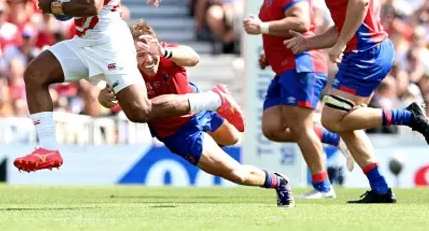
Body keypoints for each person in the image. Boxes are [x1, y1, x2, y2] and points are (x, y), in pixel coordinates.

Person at [13, 0, 244, 172]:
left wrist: (54, 8)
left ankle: (213, 99)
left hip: (110, 43)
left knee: (140, 111)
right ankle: (49, 150)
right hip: (87, 41)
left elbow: (91, 4)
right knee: (35, 74)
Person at [285, 0, 429, 204]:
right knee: (346, 123)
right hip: (367, 51)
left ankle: (409, 116)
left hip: (365, 53)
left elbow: (361, 2)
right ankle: (380, 188)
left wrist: (340, 45)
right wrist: (308, 42)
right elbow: (341, 24)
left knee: (331, 118)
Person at [97, 20, 294, 208]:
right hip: (180, 134)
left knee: (234, 138)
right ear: (132, 54)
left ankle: (216, 106)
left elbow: (193, 57)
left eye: (152, 52)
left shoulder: (166, 52)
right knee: (237, 174)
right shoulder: (126, 70)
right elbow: (103, 99)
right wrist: (105, 97)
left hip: (200, 108)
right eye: (141, 55)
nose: (149, 59)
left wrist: (165, 52)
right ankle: (279, 182)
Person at [242, 0, 353, 200]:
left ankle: (323, 187)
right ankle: (335, 139)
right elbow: (285, 29)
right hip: (285, 68)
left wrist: (262, 28)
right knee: (272, 128)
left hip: (302, 66)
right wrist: (268, 54)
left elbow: (302, 22)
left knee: (301, 127)